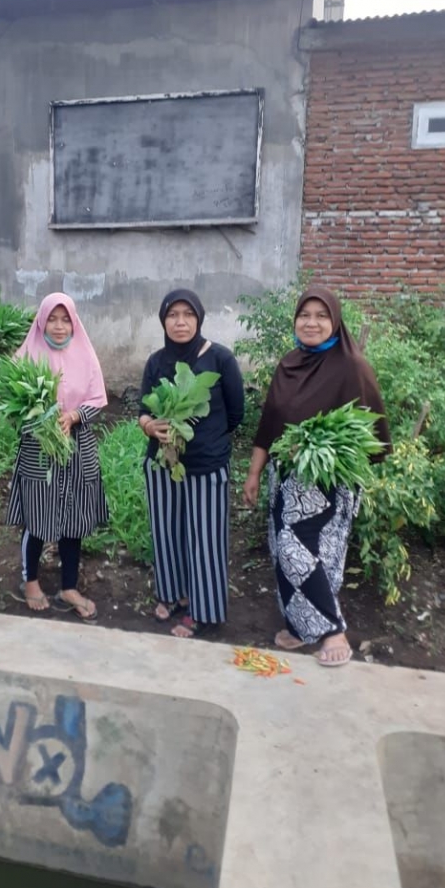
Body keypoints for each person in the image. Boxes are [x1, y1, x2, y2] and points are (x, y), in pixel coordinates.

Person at [242, 284, 391, 667]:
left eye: (321, 316)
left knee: (304, 553)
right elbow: (269, 424)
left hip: (327, 483)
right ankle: (298, 625)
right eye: (304, 316)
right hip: (285, 480)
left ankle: (331, 630)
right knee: (282, 553)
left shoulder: (351, 367)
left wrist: (319, 452)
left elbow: (368, 437)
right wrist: (254, 473)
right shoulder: (290, 363)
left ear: (335, 321)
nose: (312, 323)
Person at [139, 289, 245, 638]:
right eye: (173, 315)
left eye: (188, 314)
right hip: (162, 463)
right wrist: (151, 426)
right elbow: (142, 411)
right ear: (163, 320)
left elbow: (235, 414)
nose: (180, 322)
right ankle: (172, 595)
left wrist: (203, 439)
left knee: (205, 538)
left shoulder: (220, 359)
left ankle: (205, 611)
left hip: (206, 466)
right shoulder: (156, 361)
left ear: (199, 318)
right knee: (166, 531)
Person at [7, 293, 108, 621]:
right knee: (37, 515)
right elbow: (14, 404)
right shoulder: (26, 356)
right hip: (39, 447)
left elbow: (97, 398)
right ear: (42, 320)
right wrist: (42, 419)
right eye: (53, 318)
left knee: (74, 518)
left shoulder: (85, 354)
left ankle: (68, 586)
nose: (60, 326)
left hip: (77, 447)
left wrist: (74, 416)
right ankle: (31, 581)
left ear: (74, 322)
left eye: (66, 319)